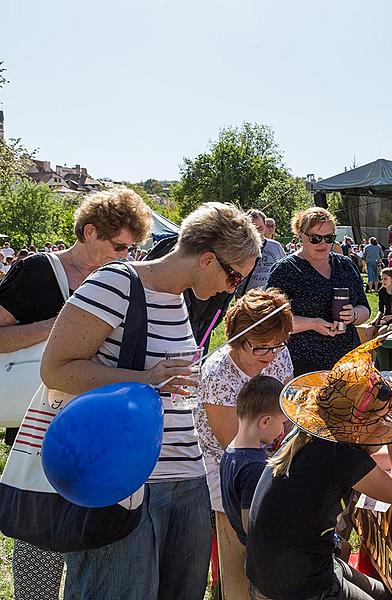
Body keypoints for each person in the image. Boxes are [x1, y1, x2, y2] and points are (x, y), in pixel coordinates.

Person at [40, 202, 261, 600]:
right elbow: (56, 369)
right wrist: (146, 379)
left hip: (185, 476)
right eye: (233, 278)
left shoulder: (178, 300)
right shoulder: (116, 283)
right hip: (126, 480)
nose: (233, 290)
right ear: (208, 259)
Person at [0, 189, 152, 600]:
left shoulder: (124, 282)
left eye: (132, 249)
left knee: (90, 538)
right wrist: (59, 328)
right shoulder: (37, 272)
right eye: (119, 246)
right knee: (40, 535)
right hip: (38, 427)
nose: (125, 256)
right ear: (89, 232)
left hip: (98, 434)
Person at [246, 347, 392, 600]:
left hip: (273, 574)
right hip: (298, 587)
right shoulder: (343, 457)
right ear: (362, 425)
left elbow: (363, 468)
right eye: (382, 420)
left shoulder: (311, 437)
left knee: (387, 594)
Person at [193, 288, 294, 599]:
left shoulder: (278, 354)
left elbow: (288, 410)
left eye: (278, 345)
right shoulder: (218, 372)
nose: (270, 355)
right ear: (238, 337)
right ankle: (233, 584)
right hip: (226, 461)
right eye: (261, 347)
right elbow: (233, 446)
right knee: (243, 527)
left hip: (270, 452)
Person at [267, 207, 370, 377]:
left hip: (347, 360)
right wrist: (312, 323)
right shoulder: (285, 270)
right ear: (300, 235)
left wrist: (353, 315)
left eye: (329, 238)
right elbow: (273, 320)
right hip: (302, 363)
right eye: (315, 238)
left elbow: (365, 308)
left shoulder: (345, 265)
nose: (323, 244)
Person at [219, 376, 289, 596]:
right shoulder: (253, 468)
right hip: (269, 565)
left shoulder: (231, 452)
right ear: (265, 421)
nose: (282, 430)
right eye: (282, 423)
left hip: (258, 563)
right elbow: (254, 528)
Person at [238, 209, 286, 295]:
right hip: (246, 299)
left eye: (260, 228)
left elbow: (284, 270)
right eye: (253, 229)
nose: (257, 233)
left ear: (265, 226)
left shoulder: (276, 246)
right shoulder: (241, 247)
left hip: (269, 298)